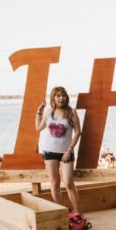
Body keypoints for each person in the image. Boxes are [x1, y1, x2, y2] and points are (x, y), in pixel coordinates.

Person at [36, 86, 83, 216]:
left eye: (63, 96)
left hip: (66, 152)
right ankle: (62, 214)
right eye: (58, 96)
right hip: (49, 151)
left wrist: (69, 150)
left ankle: (78, 213)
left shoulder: (71, 112)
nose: (61, 98)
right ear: (53, 98)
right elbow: (39, 128)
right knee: (54, 183)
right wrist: (39, 112)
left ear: (66, 97)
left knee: (68, 183)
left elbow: (78, 131)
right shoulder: (49, 112)